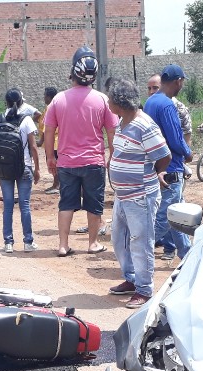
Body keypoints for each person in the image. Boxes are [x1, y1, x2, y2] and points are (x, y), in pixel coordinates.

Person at [44, 46, 118, 257]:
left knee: (66, 203)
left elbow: (50, 132)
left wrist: (50, 157)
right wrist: (112, 156)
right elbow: (111, 131)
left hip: (66, 163)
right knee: (94, 203)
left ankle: (63, 244)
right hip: (94, 162)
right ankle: (92, 243)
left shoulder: (58, 100)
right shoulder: (102, 99)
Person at [106, 79, 172, 309]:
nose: (107, 101)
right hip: (123, 195)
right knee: (119, 238)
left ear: (120, 102)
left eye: (110, 98)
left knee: (141, 242)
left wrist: (160, 173)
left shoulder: (145, 125)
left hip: (141, 196)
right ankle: (132, 279)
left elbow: (164, 155)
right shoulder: (122, 121)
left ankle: (144, 289)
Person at [144, 64, 193, 262]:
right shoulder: (166, 104)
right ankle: (137, 253)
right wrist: (188, 154)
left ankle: (187, 255)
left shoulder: (151, 102)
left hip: (157, 166)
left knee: (176, 216)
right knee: (164, 217)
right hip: (171, 168)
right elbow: (175, 139)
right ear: (178, 81)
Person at [0, 88, 40, 253]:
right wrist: (37, 168)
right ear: (22, 102)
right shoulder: (26, 120)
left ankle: (8, 243)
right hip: (24, 167)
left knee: (7, 206)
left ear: (5, 102)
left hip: (3, 168)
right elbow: (33, 147)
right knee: (25, 205)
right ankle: (28, 242)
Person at [39, 86, 60, 194]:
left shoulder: (50, 108)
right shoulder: (56, 106)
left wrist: (41, 141)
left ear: (49, 97)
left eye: (45, 96)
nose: (44, 98)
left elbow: (46, 128)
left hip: (54, 141)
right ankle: (57, 184)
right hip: (57, 140)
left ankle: (57, 185)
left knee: (54, 163)